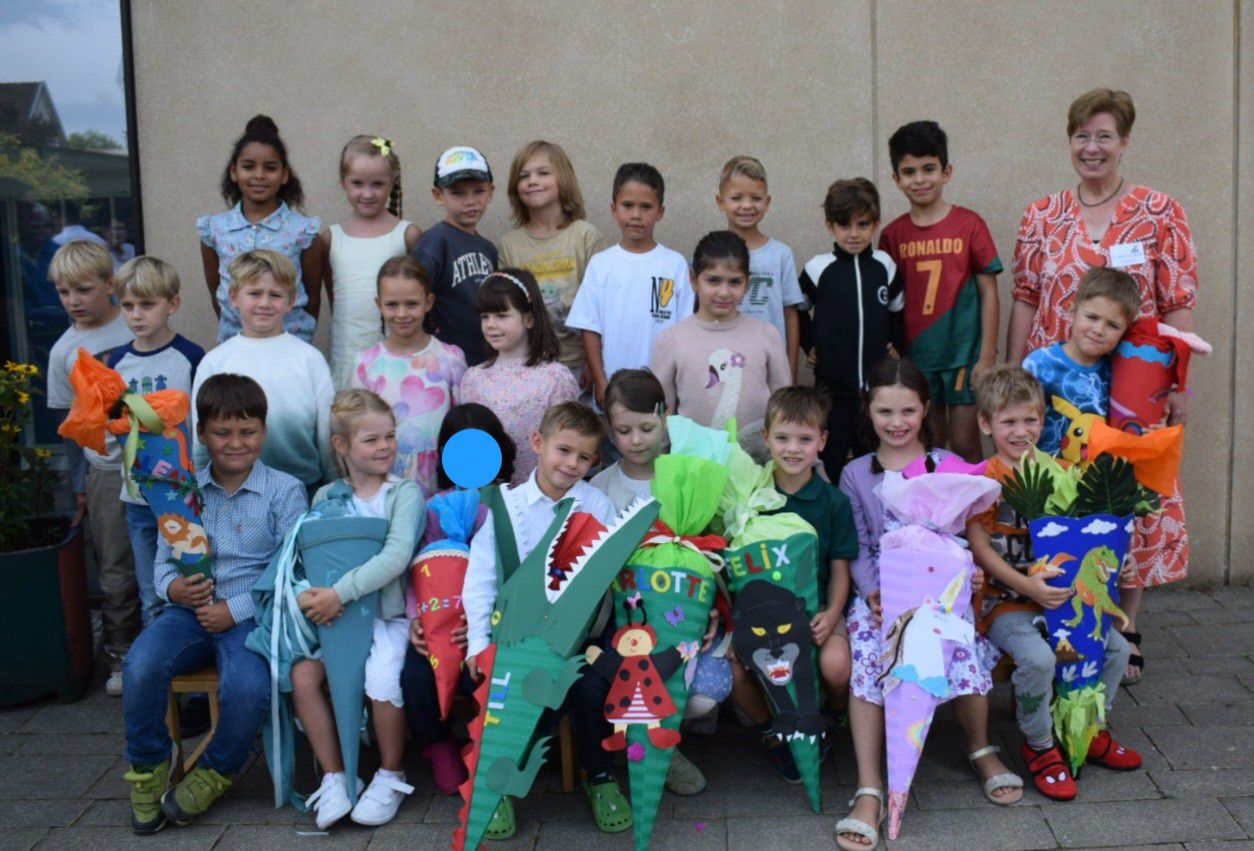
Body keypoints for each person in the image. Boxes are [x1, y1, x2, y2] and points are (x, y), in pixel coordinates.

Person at [1009, 91, 1198, 674]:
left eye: (1104, 136)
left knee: (1129, 496)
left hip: (1132, 389)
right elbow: (1026, 296)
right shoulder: (1042, 214)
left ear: (1124, 142)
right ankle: (1062, 609)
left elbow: (1178, 300)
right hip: (1058, 386)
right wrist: (1013, 375)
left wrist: (1178, 384)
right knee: (1060, 492)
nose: (1092, 147)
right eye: (1082, 136)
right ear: (1070, 141)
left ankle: (1124, 625)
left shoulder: (1160, 211)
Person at [835, 359, 1021, 851]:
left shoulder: (948, 464)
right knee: (871, 658)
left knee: (963, 652)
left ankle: (980, 748)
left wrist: (969, 572)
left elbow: (967, 536)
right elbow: (858, 545)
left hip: (941, 592)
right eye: (885, 411)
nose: (897, 422)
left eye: (908, 411)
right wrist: (874, 593)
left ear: (925, 410)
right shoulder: (856, 473)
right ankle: (870, 786)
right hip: (883, 596)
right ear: (868, 411)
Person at [122, 373, 307, 835]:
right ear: (202, 433)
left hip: (252, 617)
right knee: (140, 665)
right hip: (187, 614)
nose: (236, 443)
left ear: (264, 432)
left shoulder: (285, 491)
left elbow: (289, 571)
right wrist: (174, 590)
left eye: (247, 431)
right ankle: (148, 766)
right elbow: (162, 564)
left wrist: (235, 609)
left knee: (248, 685)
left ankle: (216, 770)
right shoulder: (180, 489)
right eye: (222, 432)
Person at [968, 366, 1141, 801]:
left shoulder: (1064, 471)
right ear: (986, 424)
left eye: (1030, 420)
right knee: (1039, 659)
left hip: (1063, 599)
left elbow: (1089, 537)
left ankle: (1091, 728)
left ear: (1043, 422)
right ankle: (1040, 743)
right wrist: (1027, 587)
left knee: (1117, 649)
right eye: (1008, 421)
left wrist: (1118, 563)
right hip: (1006, 602)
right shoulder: (983, 482)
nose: (1020, 431)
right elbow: (980, 548)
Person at [461, 402, 630, 838]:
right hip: (516, 635)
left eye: (584, 457)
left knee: (590, 684)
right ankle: (498, 783)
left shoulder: (597, 506)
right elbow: (480, 579)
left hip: (581, 634)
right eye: (563, 450)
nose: (571, 464)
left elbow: (602, 579)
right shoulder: (506, 507)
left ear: (595, 461)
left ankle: (599, 776)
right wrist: (478, 643)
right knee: (510, 684)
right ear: (538, 443)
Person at [291, 390, 424, 829]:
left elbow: (396, 556)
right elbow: (311, 556)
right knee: (303, 676)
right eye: (371, 439)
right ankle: (335, 776)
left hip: (387, 617)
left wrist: (338, 593)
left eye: (389, 436)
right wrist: (312, 596)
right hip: (337, 619)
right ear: (341, 445)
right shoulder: (326, 496)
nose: (385, 446)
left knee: (381, 676)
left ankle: (391, 773)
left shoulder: (403, 494)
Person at [586, 369, 709, 796]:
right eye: (623, 431)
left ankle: (662, 745)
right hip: (622, 618)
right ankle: (658, 753)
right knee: (634, 663)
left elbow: (706, 548)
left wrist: (711, 606)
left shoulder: (684, 477)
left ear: (666, 417)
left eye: (646, 428)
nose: (635, 441)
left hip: (680, 612)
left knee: (685, 677)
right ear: (609, 429)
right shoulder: (600, 487)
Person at [400, 402, 514, 797]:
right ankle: (437, 745)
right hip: (440, 624)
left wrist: (488, 623)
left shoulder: (512, 504)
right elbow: (417, 572)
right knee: (416, 675)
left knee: (495, 672)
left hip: (496, 625)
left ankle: (493, 747)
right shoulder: (433, 508)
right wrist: (416, 620)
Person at [878, 120, 1002, 463]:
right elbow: (887, 300)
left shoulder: (969, 224)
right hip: (917, 357)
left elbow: (989, 292)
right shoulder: (892, 235)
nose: (919, 179)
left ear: (947, 172)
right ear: (896, 178)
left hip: (963, 353)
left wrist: (987, 355)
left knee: (965, 441)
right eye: (909, 171)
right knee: (930, 443)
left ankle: (977, 498)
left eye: (928, 168)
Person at [46, 239, 137, 695]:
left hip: (155, 462)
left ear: (110, 285)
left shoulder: (135, 323)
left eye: (83, 289)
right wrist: (79, 486)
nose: (73, 301)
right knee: (115, 563)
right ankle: (121, 651)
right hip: (105, 469)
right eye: (64, 292)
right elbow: (69, 428)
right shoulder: (63, 351)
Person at [107, 256, 205, 626]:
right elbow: (112, 422)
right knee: (151, 592)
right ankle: (155, 657)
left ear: (172, 304)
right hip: (137, 496)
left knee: (193, 582)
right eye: (127, 305)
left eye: (147, 305)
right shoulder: (117, 362)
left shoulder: (191, 357)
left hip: (182, 493)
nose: (136, 315)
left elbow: (201, 424)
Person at [192, 250, 334, 490]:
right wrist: (200, 486)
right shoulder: (214, 362)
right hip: (231, 491)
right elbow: (201, 438)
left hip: (303, 487)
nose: (264, 303)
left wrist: (331, 484)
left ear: (291, 301)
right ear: (234, 297)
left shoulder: (310, 359)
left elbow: (326, 432)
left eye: (275, 295)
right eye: (255, 293)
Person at [799, 178, 903, 481]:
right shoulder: (818, 268)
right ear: (830, 226)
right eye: (844, 225)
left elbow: (897, 309)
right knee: (829, 461)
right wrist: (810, 345)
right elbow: (798, 310)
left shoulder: (884, 266)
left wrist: (896, 343)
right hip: (832, 390)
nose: (854, 233)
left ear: (876, 224)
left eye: (863, 224)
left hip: (877, 391)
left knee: (876, 464)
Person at [651, 231, 790, 457]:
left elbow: (785, 409)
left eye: (734, 282)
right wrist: (660, 463)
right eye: (713, 280)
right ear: (694, 279)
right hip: (693, 468)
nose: (724, 292)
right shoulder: (672, 339)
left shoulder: (767, 335)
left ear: (747, 283)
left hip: (758, 466)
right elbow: (662, 414)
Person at [567, 162, 692, 410]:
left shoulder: (674, 264)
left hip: (661, 391)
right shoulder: (601, 264)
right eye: (627, 205)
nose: (636, 214)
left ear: (660, 211)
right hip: (612, 391)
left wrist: (677, 386)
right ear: (614, 209)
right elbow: (589, 328)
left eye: (646, 206)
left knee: (657, 436)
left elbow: (684, 332)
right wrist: (601, 380)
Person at [197, 115, 322, 343]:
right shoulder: (214, 229)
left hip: (289, 343)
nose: (259, 175)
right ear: (234, 172)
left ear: (284, 175)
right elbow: (218, 293)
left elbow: (312, 298)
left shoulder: (303, 231)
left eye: (270, 168)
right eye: (248, 166)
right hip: (235, 343)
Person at [350, 256, 466, 497]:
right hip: (384, 488)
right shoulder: (365, 364)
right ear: (379, 304)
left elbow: (463, 429)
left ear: (428, 302)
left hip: (441, 487)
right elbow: (357, 434)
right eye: (392, 304)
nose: (401, 314)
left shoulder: (450, 358)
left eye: (412, 304)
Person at [498, 140, 606, 383]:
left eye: (543, 173)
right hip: (529, 366)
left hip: (580, 364)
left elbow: (601, 306)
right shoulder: (509, 245)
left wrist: (593, 361)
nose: (532, 181)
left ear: (563, 179)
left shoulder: (586, 236)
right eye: (524, 176)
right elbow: (507, 309)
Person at [460, 269, 579, 484]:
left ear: (529, 319)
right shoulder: (473, 379)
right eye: (485, 316)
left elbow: (568, 443)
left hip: (543, 493)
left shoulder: (555, 378)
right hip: (491, 494)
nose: (491, 324)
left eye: (501, 315)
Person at [321, 135, 421, 388]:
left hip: (397, 355)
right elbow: (334, 298)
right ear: (343, 181)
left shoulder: (407, 235)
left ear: (392, 182)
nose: (367, 193)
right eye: (357, 183)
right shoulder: (330, 238)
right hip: (346, 355)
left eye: (377, 184)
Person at [1021, 268, 1138, 459]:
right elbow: (1018, 423)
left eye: (1113, 325)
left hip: (1095, 475)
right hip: (1041, 473)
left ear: (1125, 331)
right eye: (1092, 317)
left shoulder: (1118, 375)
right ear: (1072, 313)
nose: (1099, 330)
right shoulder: (1038, 365)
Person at [715, 156, 805, 377]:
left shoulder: (781, 255)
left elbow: (790, 315)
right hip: (723, 366)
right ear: (720, 202)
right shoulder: (711, 253)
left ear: (767, 202)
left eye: (756, 198)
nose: (747, 205)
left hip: (770, 369)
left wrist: (791, 371)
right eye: (736, 198)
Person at [412, 146, 498, 367]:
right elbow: (413, 300)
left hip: (483, 362)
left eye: (478, 191)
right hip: (442, 364)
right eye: (458, 193)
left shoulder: (489, 249)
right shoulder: (434, 243)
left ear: (491, 192)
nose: (470, 201)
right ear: (438, 195)